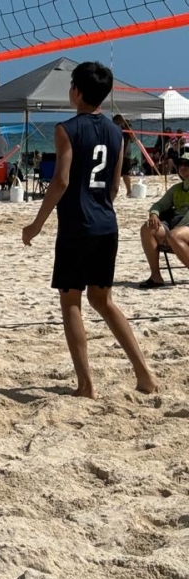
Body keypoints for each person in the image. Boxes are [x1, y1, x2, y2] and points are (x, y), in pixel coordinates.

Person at [22, 61, 157, 398]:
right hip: (105, 225)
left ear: (77, 91)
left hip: (77, 227)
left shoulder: (66, 128)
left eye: (71, 85)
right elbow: (113, 187)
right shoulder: (117, 132)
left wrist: (36, 224)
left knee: (71, 302)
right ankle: (145, 375)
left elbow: (61, 181)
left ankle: (86, 385)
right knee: (104, 300)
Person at [138, 150, 189, 288]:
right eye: (180, 164)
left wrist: (174, 232)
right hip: (176, 229)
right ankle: (156, 276)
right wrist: (154, 214)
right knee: (148, 227)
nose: (182, 167)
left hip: (184, 228)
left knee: (174, 235)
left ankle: (173, 237)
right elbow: (159, 204)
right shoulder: (177, 188)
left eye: (187, 164)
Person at [113, 114, 135, 197]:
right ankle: (115, 190)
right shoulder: (115, 129)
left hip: (125, 154)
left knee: (126, 173)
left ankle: (129, 191)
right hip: (117, 153)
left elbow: (134, 139)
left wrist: (128, 128)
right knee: (115, 174)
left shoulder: (127, 130)